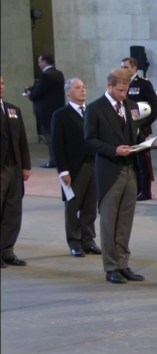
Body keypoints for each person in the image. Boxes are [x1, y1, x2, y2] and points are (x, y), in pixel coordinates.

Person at [84, 68, 146, 284]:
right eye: (120, 90)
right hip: (109, 169)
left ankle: (123, 263)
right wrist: (113, 150)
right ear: (109, 86)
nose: (123, 93)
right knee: (109, 220)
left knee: (125, 220)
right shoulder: (95, 109)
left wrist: (143, 143)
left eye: (126, 89)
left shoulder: (131, 106)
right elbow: (89, 140)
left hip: (130, 168)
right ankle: (111, 266)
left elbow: (135, 131)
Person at [51, 78, 100, 258]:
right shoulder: (61, 115)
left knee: (90, 206)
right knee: (73, 206)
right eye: (78, 88)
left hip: (93, 165)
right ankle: (74, 241)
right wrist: (63, 171)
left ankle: (88, 240)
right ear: (68, 93)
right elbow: (57, 145)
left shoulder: (91, 112)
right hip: (73, 168)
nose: (83, 90)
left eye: (84, 87)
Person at [0, 75, 31, 268]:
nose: (1, 86)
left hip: (14, 167)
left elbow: (22, 141)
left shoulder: (13, 109)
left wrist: (25, 165)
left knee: (13, 210)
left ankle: (7, 250)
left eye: (2, 82)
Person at [121, 57, 157, 201]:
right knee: (132, 161)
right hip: (127, 129)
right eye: (122, 67)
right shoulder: (121, 84)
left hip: (142, 129)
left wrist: (144, 124)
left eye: (126, 67)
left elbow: (155, 107)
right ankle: (135, 190)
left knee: (143, 161)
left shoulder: (143, 84)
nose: (123, 70)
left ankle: (146, 191)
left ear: (134, 68)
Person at [27, 54, 65, 168]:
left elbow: (37, 93)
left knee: (50, 138)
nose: (38, 64)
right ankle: (57, 159)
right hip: (57, 110)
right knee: (55, 136)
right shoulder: (59, 74)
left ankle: (53, 160)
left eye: (40, 62)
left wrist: (30, 94)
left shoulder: (46, 75)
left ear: (45, 61)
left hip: (46, 112)